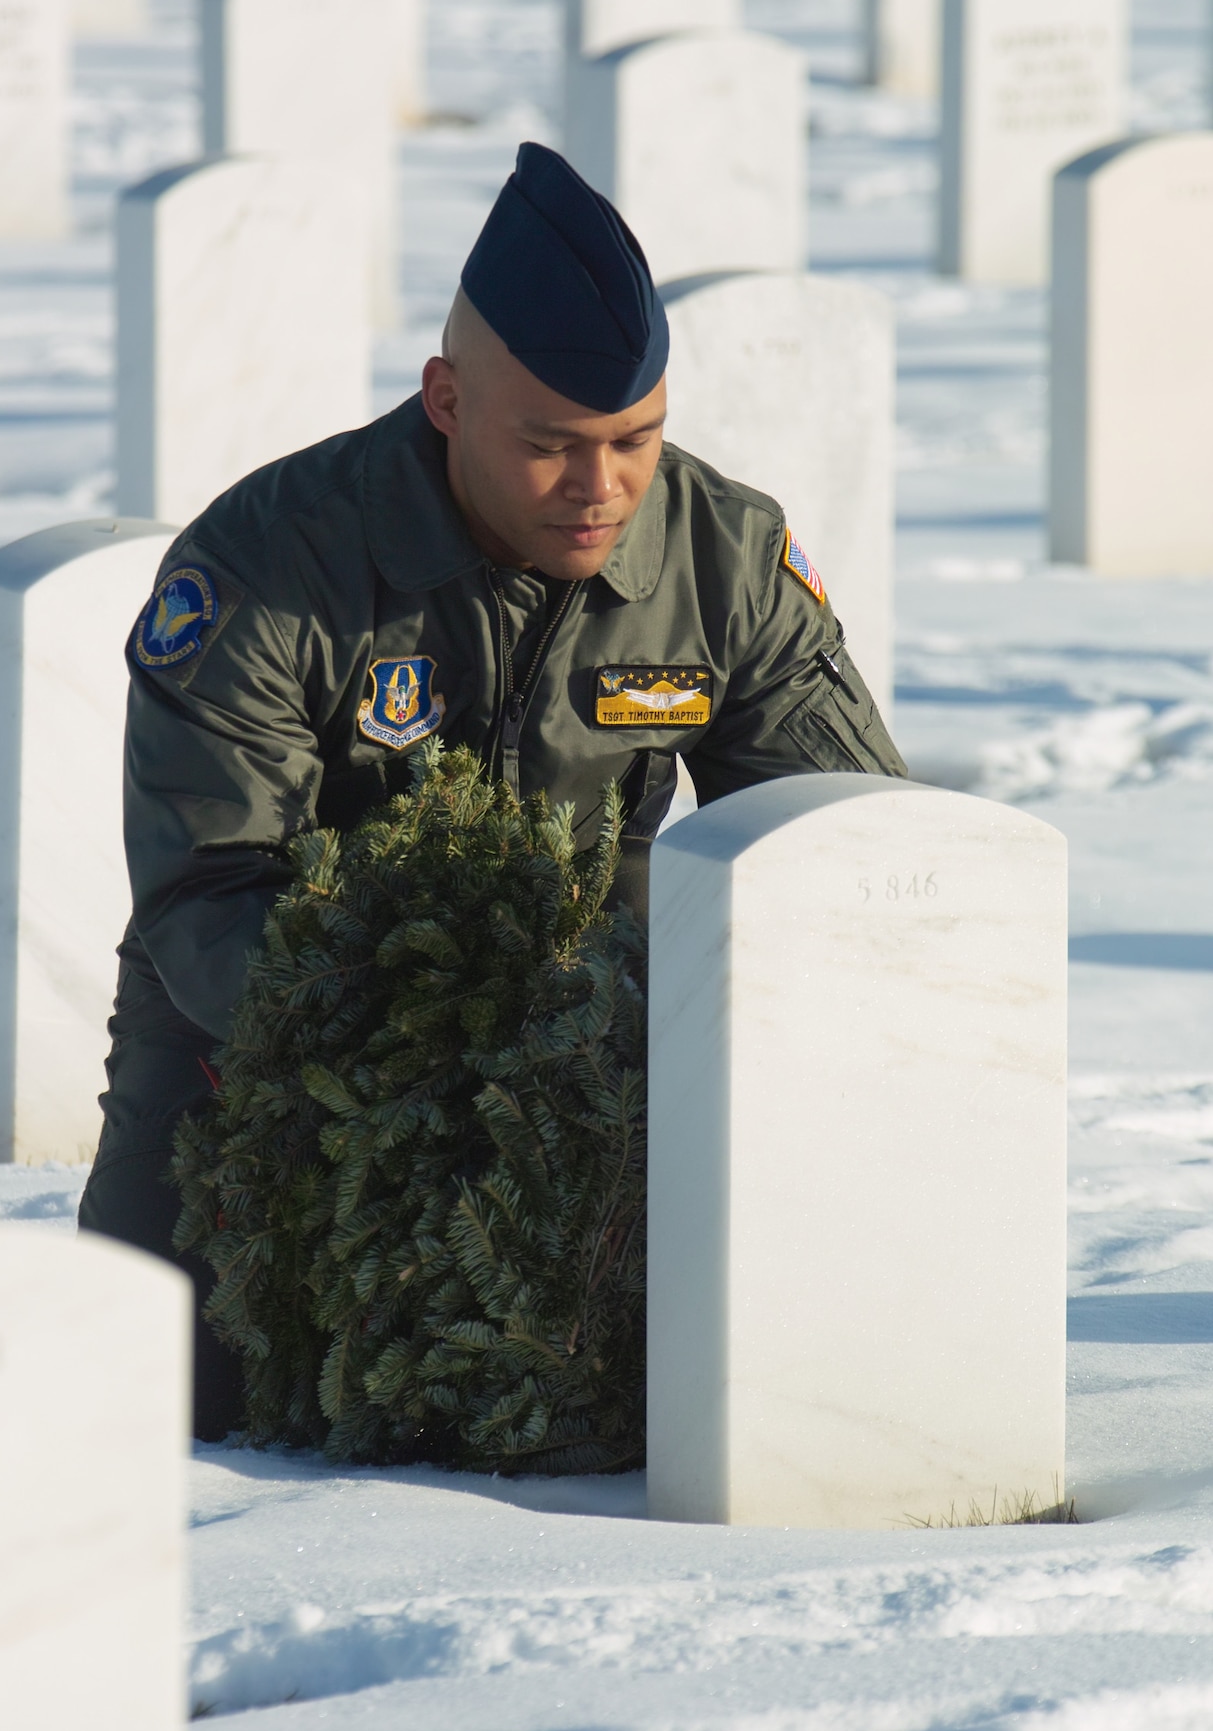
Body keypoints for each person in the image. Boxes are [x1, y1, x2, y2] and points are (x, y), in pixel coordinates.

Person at [79, 143, 906, 1437]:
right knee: (167, 1413)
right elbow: (207, 895)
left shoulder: (721, 558)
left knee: (743, 1408)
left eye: (635, 441)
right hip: (254, 1059)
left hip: (608, 1064)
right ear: (446, 400)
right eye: (551, 446)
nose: (600, 491)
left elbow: (843, 853)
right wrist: (426, 1062)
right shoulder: (270, 562)